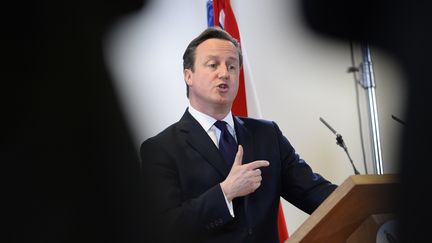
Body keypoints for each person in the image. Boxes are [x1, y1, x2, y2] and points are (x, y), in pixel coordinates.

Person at [140, 27, 337, 243]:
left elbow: (313, 192)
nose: (224, 73)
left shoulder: (267, 134)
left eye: (232, 66)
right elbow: (165, 228)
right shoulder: (161, 148)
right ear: (189, 75)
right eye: (213, 65)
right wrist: (225, 192)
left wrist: (373, 201)